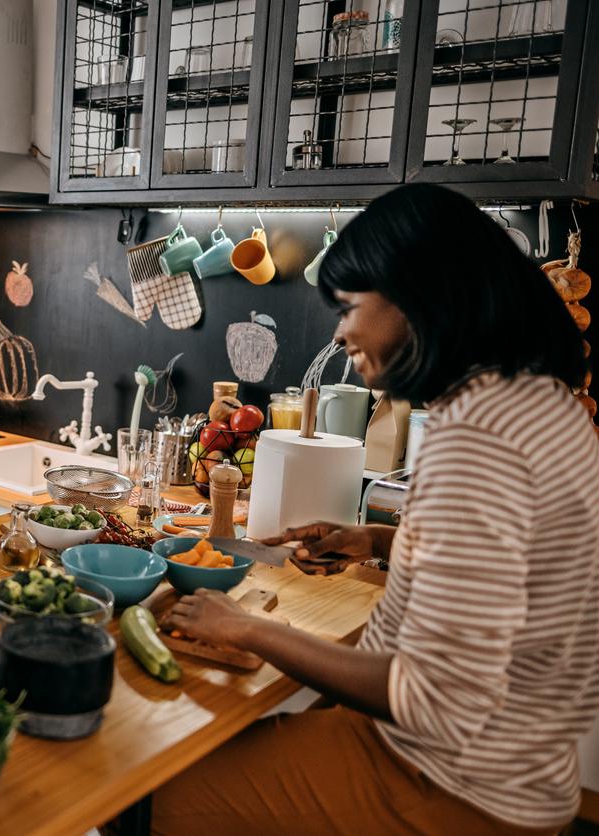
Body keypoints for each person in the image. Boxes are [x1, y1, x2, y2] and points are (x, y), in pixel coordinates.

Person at [157, 183, 598, 835]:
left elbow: (436, 700)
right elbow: (519, 570)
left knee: (148, 801)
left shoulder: (478, 435)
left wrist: (248, 629)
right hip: (520, 769)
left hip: (449, 783)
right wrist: (381, 541)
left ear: (420, 300)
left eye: (350, 306)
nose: (341, 331)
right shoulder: (537, 401)